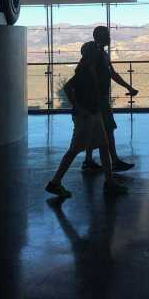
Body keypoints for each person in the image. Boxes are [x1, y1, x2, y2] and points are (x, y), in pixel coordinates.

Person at [45, 42, 128, 198]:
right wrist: (80, 109)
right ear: (91, 54)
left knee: (103, 145)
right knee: (74, 150)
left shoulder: (89, 69)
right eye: (96, 52)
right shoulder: (84, 71)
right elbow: (68, 87)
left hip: (92, 113)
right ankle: (54, 182)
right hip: (87, 115)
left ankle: (109, 182)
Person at [81, 26, 139, 173]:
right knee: (108, 128)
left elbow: (112, 74)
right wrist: (128, 87)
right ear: (98, 37)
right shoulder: (100, 55)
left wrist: (128, 87)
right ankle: (114, 161)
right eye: (106, 35)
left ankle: (88, 160)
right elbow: (110, 74)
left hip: (97, 97)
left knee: (94, 129)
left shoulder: (100, 54)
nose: (109, 38)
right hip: (100, 98)